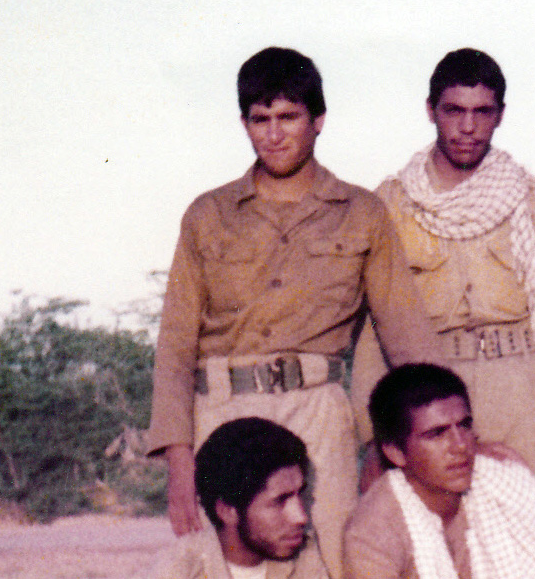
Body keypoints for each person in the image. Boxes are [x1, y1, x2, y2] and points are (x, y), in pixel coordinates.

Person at [146, 46, 439, 577]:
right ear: (244, 124)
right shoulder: (208, 215)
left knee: (336, 560)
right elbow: (175, 347)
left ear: (318, 120)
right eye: (261, 120)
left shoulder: (362, 213)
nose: (274, 134)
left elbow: (407, 336)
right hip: (222, 413)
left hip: (319, 414)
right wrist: (178, 461)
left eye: (288, 117)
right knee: (227, 567)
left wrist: (422, 434)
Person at [353, 48, 535, 496]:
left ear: (500, 115)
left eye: (482, 112)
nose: (468, 127)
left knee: (526, 525)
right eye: (454, 111)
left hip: (519, 390)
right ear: (431, 111)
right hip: (429, 393)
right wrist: (373, 437)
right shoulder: (393, 202)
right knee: (438, 529)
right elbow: (374, 330)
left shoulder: (526, 196)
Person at [343, 363, 535, 579]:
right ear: (395, 452)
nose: (460, 445)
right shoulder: (372, 533)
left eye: (464, 425)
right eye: (437, 434)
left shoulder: (500, 481)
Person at [151, 417, 328, 579]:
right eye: (279, 501)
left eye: (300, 495)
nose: (301, 517)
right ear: (227, 511)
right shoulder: (179, 570)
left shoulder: (305, 557)